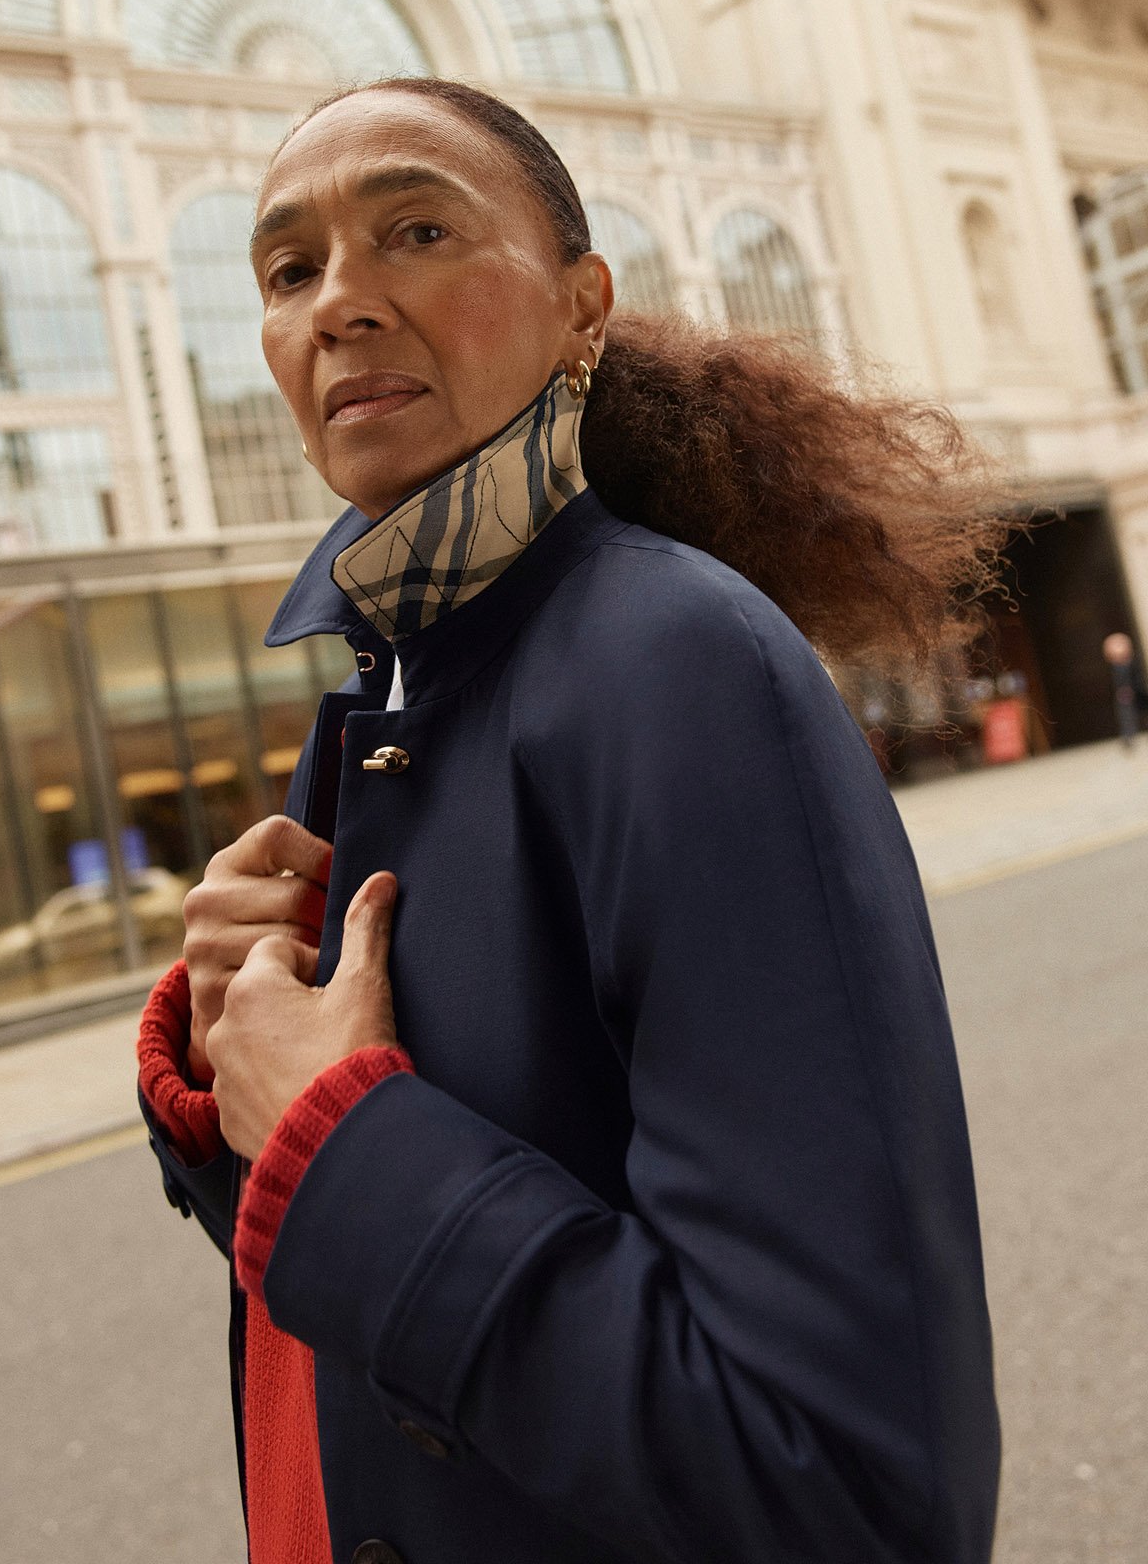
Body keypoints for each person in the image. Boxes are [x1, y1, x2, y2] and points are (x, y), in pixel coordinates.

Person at [137, 77, 1004, 1564]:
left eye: (414, 229)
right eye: (289, 269)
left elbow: (850, 1490)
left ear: (580, 304)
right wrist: (241, 1086)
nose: (339, 302)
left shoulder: (679, 663)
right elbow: (368, 1300)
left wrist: (339, 1141)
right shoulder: (375, 691)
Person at [1102, 631, 1147, 749]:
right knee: (1126, 715)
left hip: (1137, 692)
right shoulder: (1116, 667)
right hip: (1125, 695)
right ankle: (1128, 736)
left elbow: (1137, 678)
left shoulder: (1132, 663)